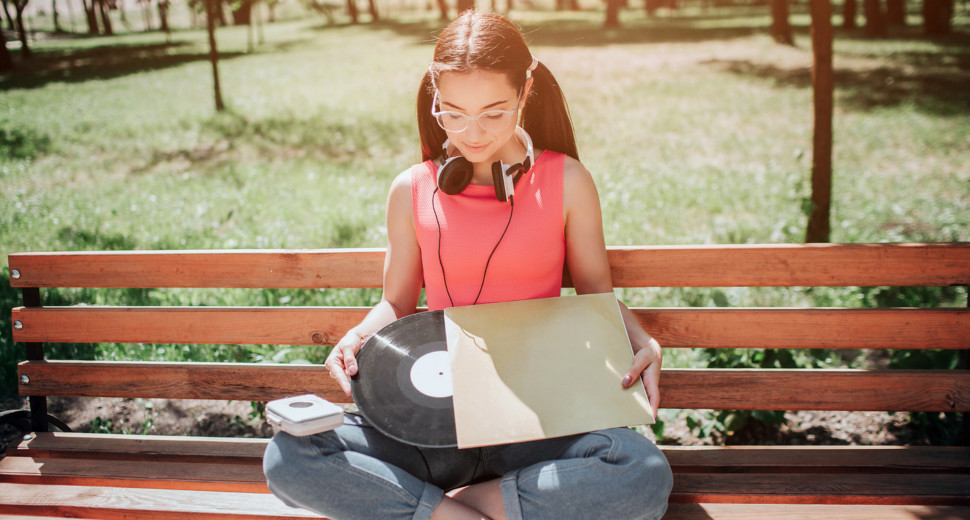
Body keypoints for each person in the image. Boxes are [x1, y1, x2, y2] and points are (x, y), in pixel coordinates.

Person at [263, 10, 673, 520]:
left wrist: (642, 340)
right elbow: (396, 302)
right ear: (434, 95)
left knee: (640, 472)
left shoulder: (568, 181)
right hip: (433, 420)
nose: (471, 133)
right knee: (291, 455)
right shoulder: (410, 188)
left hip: (537, 418)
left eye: (494, 113)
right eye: (452, 113)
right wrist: (356, 336)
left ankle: (457, 506)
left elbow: (595, 293)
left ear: (526, 91)